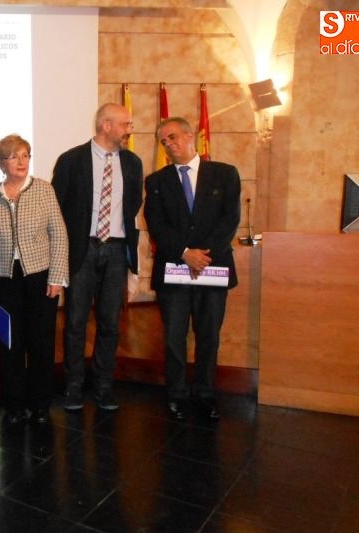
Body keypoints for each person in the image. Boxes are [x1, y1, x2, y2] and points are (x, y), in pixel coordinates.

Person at [144, 117, 241, 420]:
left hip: (213, 267)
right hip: (174, 269)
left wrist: (203, 256)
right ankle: (176, 395)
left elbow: (230, 219)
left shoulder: (224, 174)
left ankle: (205, 394)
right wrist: (185, 253)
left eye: (172, 137)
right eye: (163, 141)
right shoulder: (156, 181)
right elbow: (156, 224)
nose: (168, 145)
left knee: (208, 336)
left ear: (190, 136)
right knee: (174, 338)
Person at [51, 103, 143, 411]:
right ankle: (73, 387)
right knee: (75, 321)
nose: (130, 130)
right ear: (106, 125)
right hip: (82, 249)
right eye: (125, 124)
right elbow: (57, 207)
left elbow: (133, 205)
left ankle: (103, 386)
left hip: (116, 250)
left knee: (110, 323)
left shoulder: (132, 162)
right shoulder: (71, 160)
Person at [0, 134, 68, 424]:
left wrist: (57, 277)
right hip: (4, 280)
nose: (21, 161)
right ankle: (14, 405)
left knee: (41, 342)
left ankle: (41, 404)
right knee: (8, 343)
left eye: (25, 155)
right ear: (1, 163)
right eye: (14, 156)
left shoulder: (44, 190)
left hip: (40, 277)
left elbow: (59, 234)